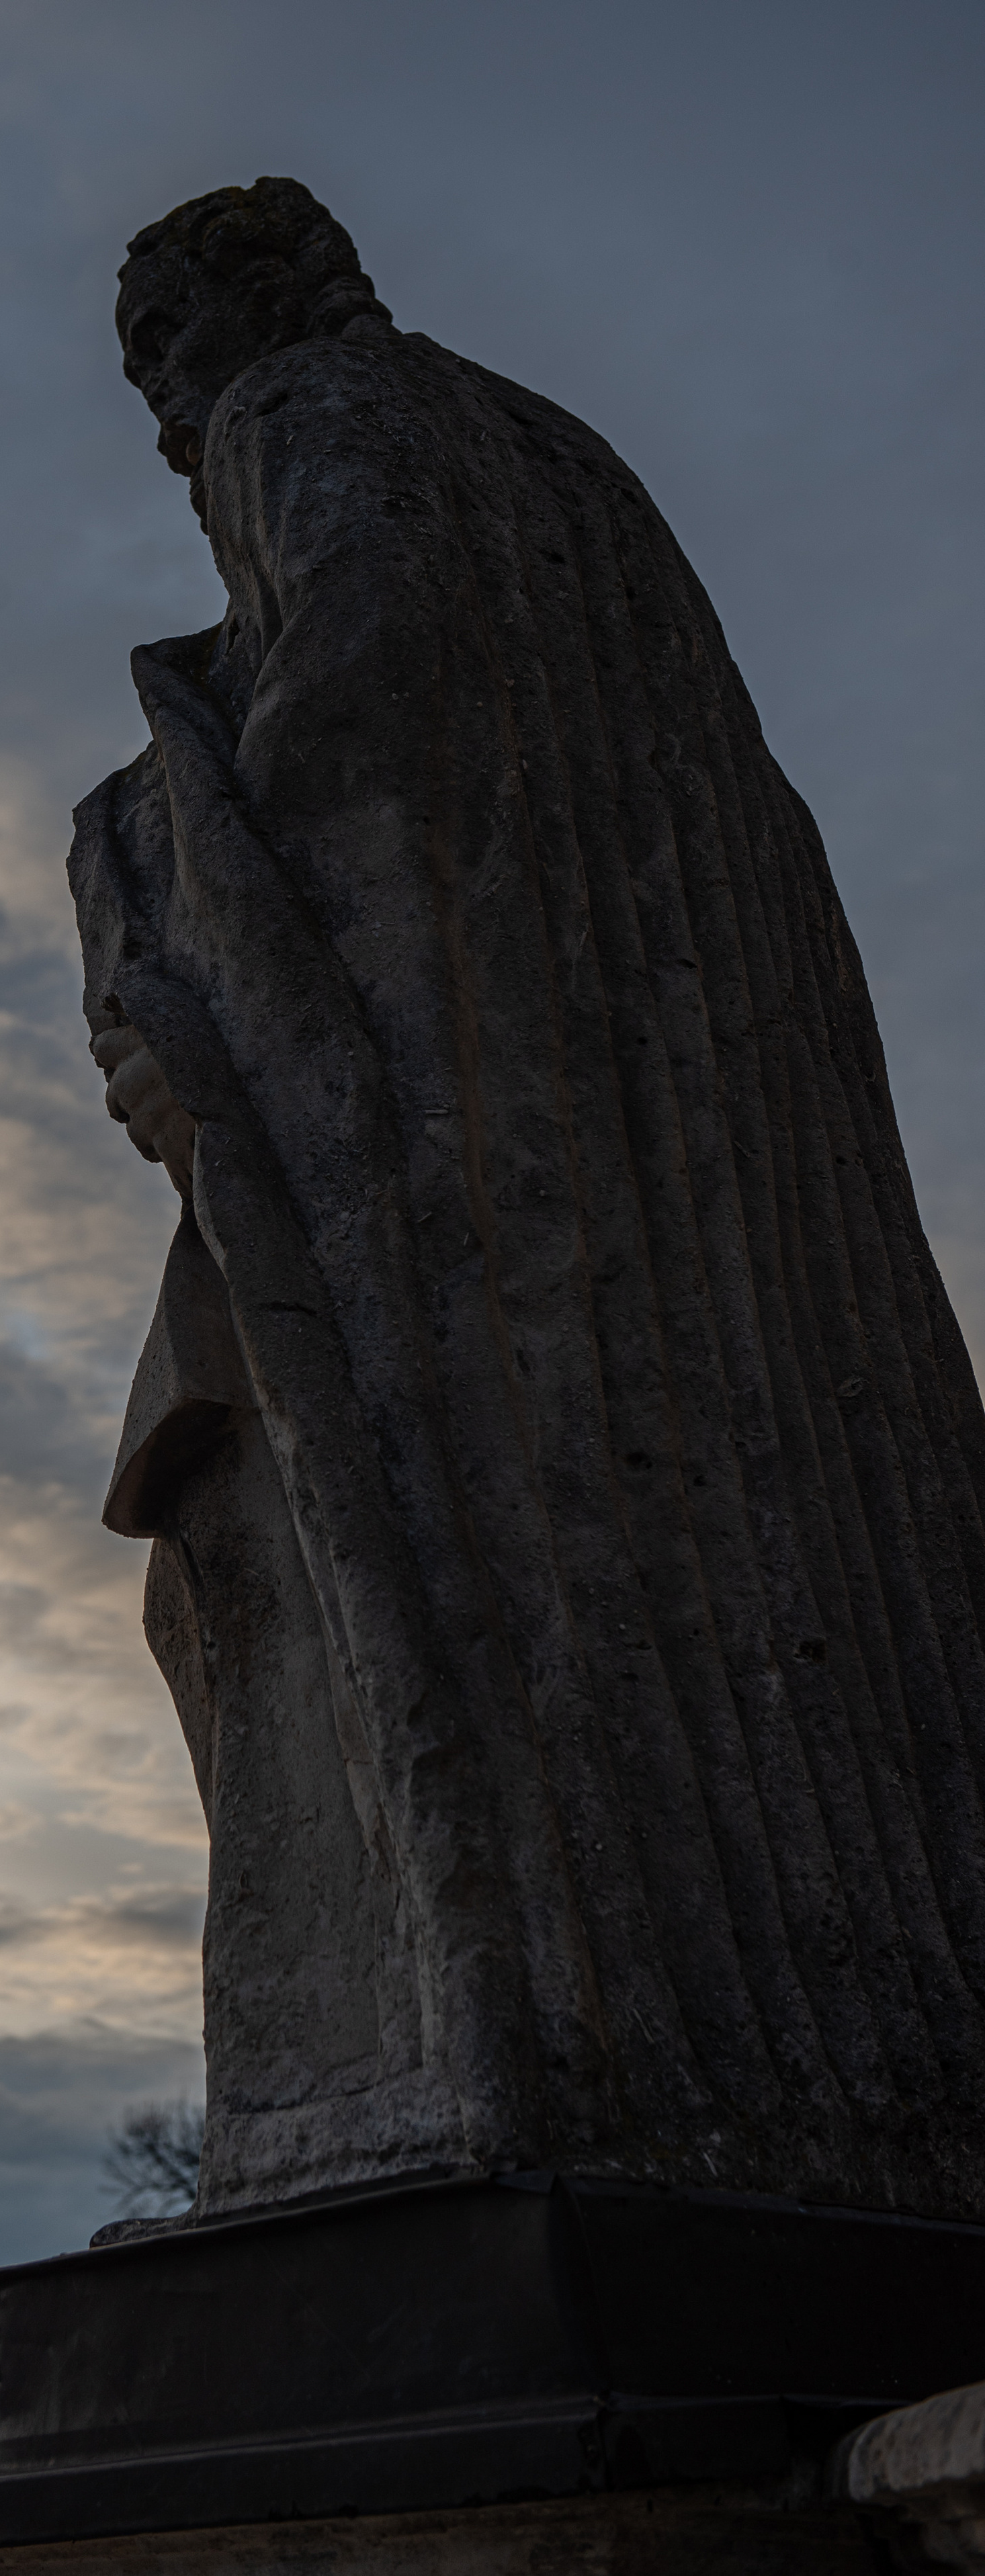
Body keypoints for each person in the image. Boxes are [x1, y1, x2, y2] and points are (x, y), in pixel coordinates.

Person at [72, 177, 985, 2221]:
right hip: (665, 1128)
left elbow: (362, 716)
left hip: (448, 1136)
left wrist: (181, 907)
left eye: (164, 371)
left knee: (296, 1564)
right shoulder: (574, 467)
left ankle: (422, 2086)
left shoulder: (304, 421)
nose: (164, 433)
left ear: (259, 322)